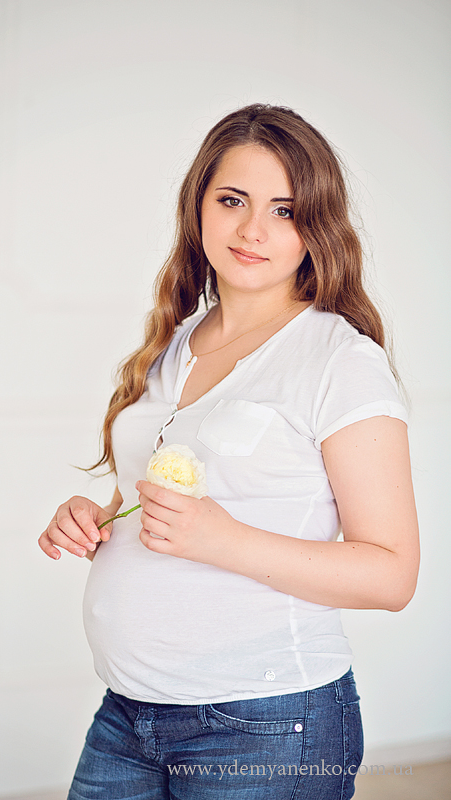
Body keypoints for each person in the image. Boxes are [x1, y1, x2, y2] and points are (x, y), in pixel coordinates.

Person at [39, 104, 419, 800]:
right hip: (127, 711)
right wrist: (98, 520)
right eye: (233, 200)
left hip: (265, 723)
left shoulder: (339, 361)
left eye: (285, 210)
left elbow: (391, 576)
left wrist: (223, 540)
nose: (252, 230)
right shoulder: (175, 342)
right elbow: (155, 502)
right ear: (199, 207)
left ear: (318, 226)